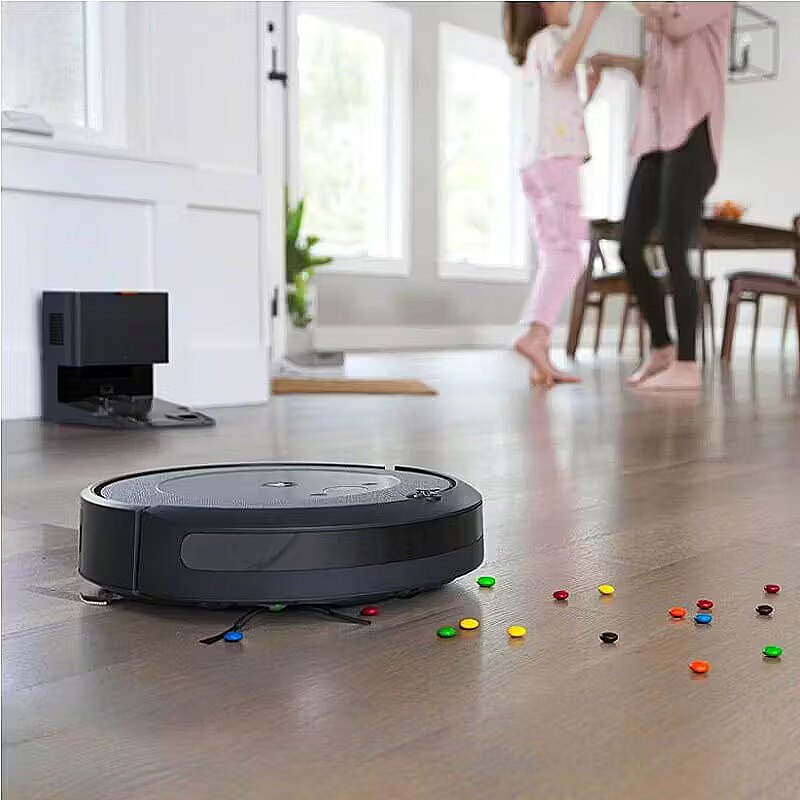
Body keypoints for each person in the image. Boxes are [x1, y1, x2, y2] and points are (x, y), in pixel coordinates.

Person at [589, 2, 733, 390]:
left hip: (694, 136)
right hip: (655, 141)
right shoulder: (658, 12)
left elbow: (677, 25)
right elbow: (654, 75)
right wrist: (613, 61)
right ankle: (662, 349)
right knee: (629, 247)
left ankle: (687, 364)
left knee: (673, 247)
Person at [506, 1, 606, 388]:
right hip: (556, 161)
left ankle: (540, 359)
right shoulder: (550, 38)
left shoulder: (534, 49)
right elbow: (564, 66)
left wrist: (587, 95)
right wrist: (592, 17)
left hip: (535, 162)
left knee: (553, 254)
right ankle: (535, 332)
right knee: (568, 256)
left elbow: (557, 102)